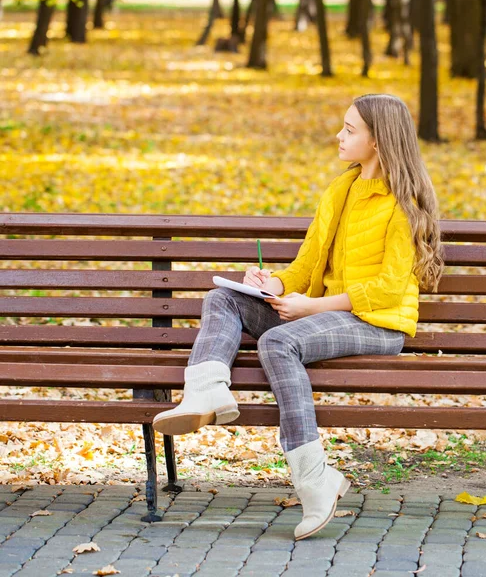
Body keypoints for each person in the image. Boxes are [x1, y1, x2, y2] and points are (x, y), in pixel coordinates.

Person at [152, 93, 444, 540]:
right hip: (328, 315)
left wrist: (312, 306)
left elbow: (388, 287)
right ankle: (206, 393)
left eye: (350, 130)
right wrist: (275, 284)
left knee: (277, 341)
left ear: (379, 141)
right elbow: (307, 265)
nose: (339, 136)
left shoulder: (401, 203)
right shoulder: (340, 190)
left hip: (379, 323)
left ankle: (314, 480)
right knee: (223, 299)